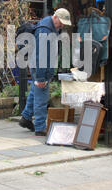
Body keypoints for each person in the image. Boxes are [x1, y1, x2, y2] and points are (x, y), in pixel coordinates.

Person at [19, 8, 72, 136]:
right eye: (61, 22)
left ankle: (26, 118)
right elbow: (41, 56)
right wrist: (41, 78)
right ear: (55, 17)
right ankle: (40, 128)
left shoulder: (48, 26)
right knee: (41, 98)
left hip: (39, 66)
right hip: (41, 68)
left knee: (35, 92)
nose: (62, 25)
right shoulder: (45, 30)